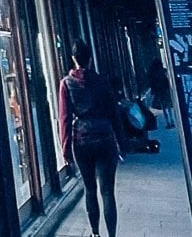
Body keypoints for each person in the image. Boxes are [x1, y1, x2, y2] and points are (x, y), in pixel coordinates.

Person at [59, 40, 122, 237]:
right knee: (107, 191)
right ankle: (112, 234)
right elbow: (114, 113)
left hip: (81, 139)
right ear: (90, 59)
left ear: (73, 58)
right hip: (105, 136)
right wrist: (122, 142)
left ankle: (95, 233)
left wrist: (66, 149)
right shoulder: (102, 81)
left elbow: (64, 118)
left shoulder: (66, 84)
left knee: (89, 188)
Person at [145, 54, 173, 129]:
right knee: (168, 106)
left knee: (163, 107)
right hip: (165, 90)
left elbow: (151, 82)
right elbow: (167, 80)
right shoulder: (163, 71)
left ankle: (168, 121)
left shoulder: (152, 73)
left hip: (159, 91)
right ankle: (171, 120)